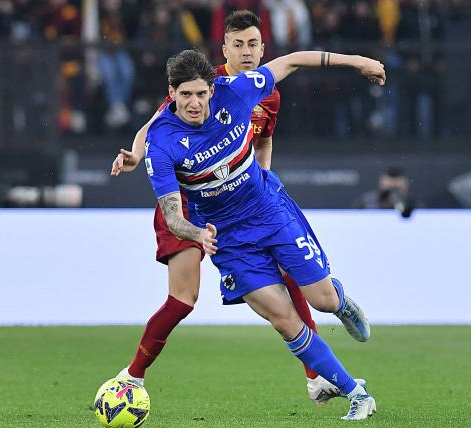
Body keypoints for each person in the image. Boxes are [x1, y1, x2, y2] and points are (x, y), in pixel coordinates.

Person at [111, 10, 369, 406]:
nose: (247, 53)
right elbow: (153, 127)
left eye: (253, 45)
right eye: (239, 44)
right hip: (195, 212)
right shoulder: (194, 88)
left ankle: (323, 354)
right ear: (224, 48)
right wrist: (136, 154)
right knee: (185, 300)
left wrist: (260, 184)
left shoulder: (253, 91)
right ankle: (133, 376)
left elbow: (265, 136)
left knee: (313, 292)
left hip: (255, 205)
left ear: (262, 47)